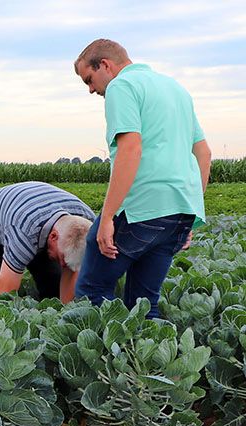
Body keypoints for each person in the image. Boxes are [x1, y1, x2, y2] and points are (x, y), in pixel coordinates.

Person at [73, 39, 211, 318]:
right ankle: (152, 360)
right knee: (144, 303)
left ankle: (104, 361)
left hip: (141, 208)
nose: (90, 89)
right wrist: (190, 211)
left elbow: (130, 148)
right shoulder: (176, 89)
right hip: (180, 211)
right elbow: (203, 153)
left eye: (89, 79)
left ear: (106, 66)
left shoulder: (121, 86)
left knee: (91, 292)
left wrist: (108, 217)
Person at [0, 181, 94, 302]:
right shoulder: (23, 230)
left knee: (52, 284)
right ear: (53, 236)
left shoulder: (89, 223)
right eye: (62, 257)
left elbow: (71, 266)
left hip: (37, 213)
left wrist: (64, 311)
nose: (62, 263)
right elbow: (4, 295)